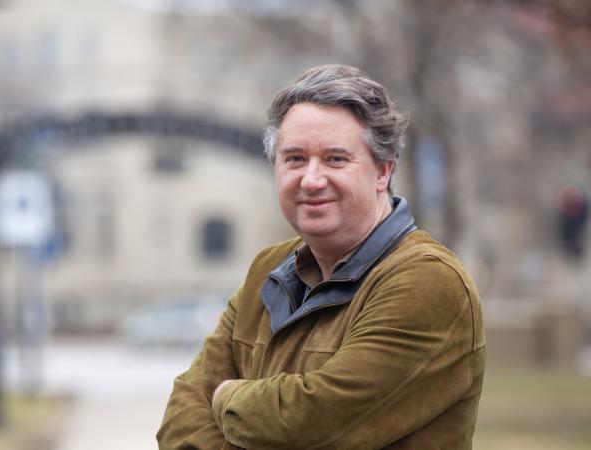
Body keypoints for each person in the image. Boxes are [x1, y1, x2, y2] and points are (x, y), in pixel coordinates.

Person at [157, 64, 485, 450]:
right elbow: (180, 419)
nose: (311, 180)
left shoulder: (428, 282)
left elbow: (310, 429)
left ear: (382, 172)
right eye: (295, 159)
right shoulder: (268, 269)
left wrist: (225, 397)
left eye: (335, 159)